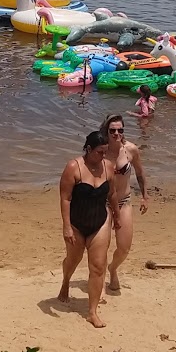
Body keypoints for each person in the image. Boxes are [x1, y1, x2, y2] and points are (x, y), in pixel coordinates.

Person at [57, 130, 114, 328]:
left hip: (100, 221)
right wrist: (67, 227)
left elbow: (112, 194)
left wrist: (116, 215)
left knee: (98, 267)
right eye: (100, 152)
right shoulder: (74, 167)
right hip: (76, 223)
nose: (103, 156)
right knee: (73, 260)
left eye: (105, 152)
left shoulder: (108, 167)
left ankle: (92, 312)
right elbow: (65, 198)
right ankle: (65, 282)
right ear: (88, 149)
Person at [100, 114, 150, 292]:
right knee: (102, 246)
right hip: (103, 203)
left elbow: (140, 173)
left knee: (124, 247)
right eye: (112, 130)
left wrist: (145, 196)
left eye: (120, 130)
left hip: (124, 202)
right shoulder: (100, 150)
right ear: (106, 130)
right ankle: (99, 282)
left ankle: (112, 269)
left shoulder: (131, 149)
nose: (116, 134)